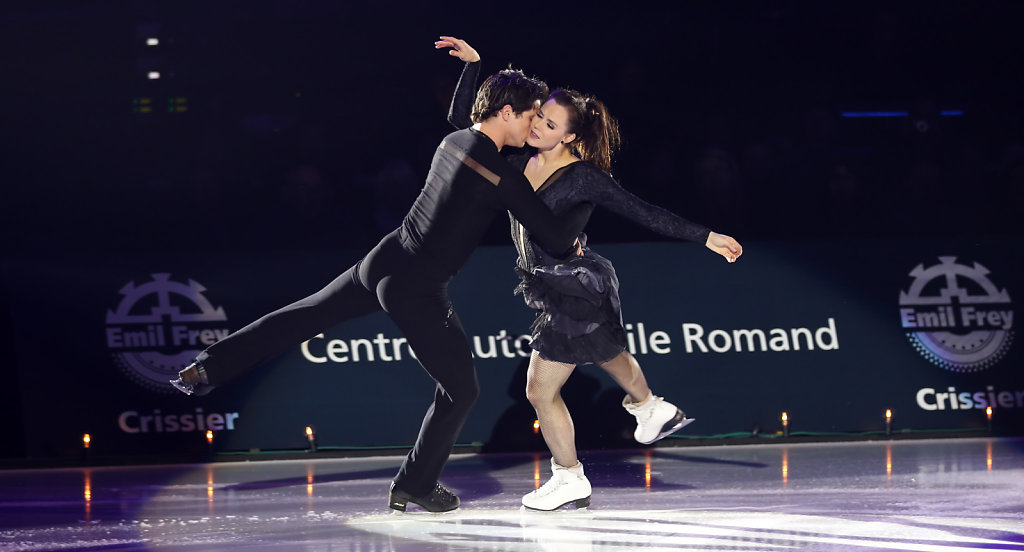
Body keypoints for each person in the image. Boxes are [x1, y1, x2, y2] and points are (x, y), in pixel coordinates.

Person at [172, 49, 583, 513]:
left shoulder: (455, 142)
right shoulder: (499, 177)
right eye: (530, 115)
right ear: (507, 111)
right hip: (416, 287)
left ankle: (206, 368)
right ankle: (415, 484)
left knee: (304, 316)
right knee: (461, 390)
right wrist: (582, 189)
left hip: (382, 260)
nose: (533, 126)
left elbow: (460, 114)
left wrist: (472, 67)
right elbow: (553, 236)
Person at [437, 37, 743, 511]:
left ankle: (571, 476)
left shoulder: (584, 177)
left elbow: (643, 211)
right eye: (538, 116)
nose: (537, 125)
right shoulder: (518, 158)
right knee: (605, 349)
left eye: (550, 124)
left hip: (572, 284)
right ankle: (649, 406)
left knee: (539, 389)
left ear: (571, 138)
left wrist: (705, 236)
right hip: (553, 282)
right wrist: (473, 68)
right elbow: (466, 124)